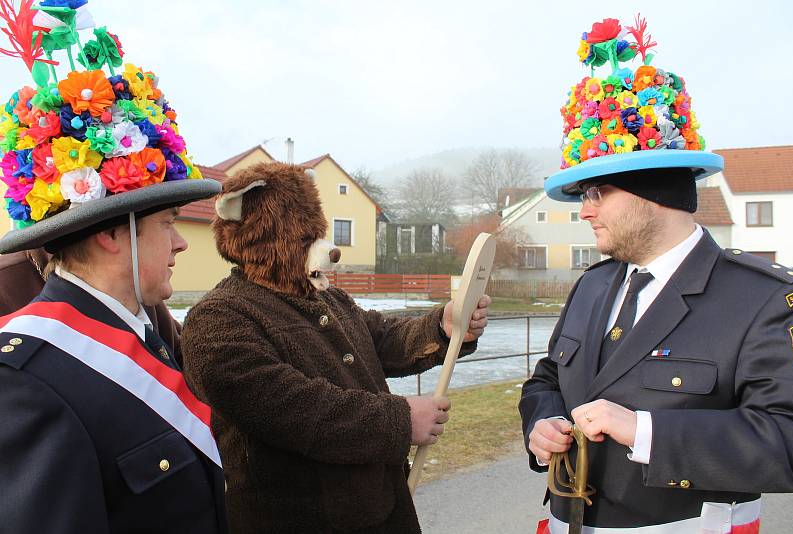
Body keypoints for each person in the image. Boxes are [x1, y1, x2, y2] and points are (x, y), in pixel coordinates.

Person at [519, 15, 793, 533]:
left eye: (597, 193)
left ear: (655, 194)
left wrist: (645, 432)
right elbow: (546, 380)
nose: (585, 211)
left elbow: (790, 439)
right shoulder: (593, 284)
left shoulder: (762, 299)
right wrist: (541, 421)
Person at [0, 2, 227, 531]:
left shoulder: (142, 330)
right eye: (168, 223)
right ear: (110, 233)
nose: (181, 244)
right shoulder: (27, 383)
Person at [180, 162, 491, 533]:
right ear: (259, 243)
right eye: (302, 240)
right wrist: (400, 421)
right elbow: (292, 408)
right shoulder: (218, 318)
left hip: (381, 510)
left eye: (317, 235)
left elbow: (381, 338)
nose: (325, 249)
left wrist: (442, 326)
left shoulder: (329, 299)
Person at [0, 247, 182, 359]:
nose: (180, 244)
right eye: (165, 223)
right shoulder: (7, 282)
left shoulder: (132, 283)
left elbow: (178, 357)